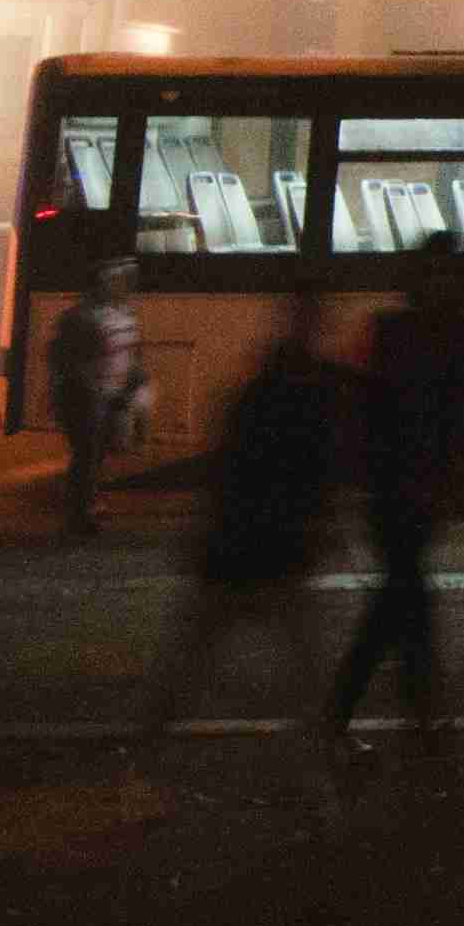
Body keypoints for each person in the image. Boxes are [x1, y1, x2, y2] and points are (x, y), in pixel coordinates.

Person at [138, 280, 347, 742]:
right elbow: (315, 470)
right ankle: (322, 755)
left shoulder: (258, 388)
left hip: (234, 547)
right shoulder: (312, 392)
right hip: (273, 550)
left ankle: (150, 735)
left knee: (196, 649)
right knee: (303, 663)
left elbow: (226, 467)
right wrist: (322, 522)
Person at [326, 236, 464, 753]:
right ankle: (392, 710)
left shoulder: (396, 331)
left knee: (402, 596)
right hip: (400, 489)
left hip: (406, 490)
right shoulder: (449, 334)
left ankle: (389, 710)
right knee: (405, 596)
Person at [46, 254, 150, 537]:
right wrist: (89, 393)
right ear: (97, 286)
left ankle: (87, 503)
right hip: (85, 399)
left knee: (100, 454)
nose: (120, 284)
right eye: (111, 280)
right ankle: (79, 514)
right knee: (87, 455)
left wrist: (135, 390)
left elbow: (134, 356)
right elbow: (66, 361)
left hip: (112, 396)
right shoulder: (79, 318)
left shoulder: (125, 314)